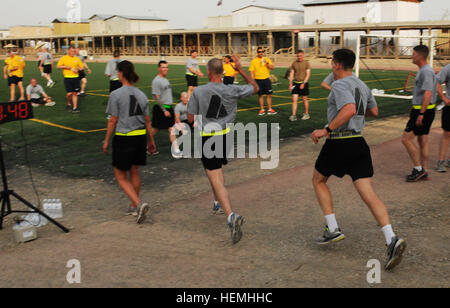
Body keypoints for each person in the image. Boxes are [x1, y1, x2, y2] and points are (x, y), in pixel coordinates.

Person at [310, 48, 406, 271]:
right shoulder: (361, 85)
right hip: (359, 142)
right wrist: (356, 110)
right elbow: (374, 111)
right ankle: (391, 239)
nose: (331, 66)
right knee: (368, 192)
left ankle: (332, 228)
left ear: (336, 64)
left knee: (318, 180)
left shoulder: (339, 84)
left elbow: (350, 109)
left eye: (331, 63)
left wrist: (326, 129)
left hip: (340, 141)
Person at [187, 56, 259, 244]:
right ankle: (217, 203)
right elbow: (255, 87)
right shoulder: (231, 89)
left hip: (208, 136)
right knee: (214, 170)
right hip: (226, 135)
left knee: (215, 175)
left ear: (209, 72)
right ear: (224, 72)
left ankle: (230, 215)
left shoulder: (199, 91)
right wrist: (241, 69)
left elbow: (190, 118)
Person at [103, 60, 156, 224]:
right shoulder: (141, 94)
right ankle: (134, 205)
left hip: (125, 137)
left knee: (120, 175)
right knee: (134, 171)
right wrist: (151, 140)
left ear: (120, 73)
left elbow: (113, 120)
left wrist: (106, 140)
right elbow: (147, 120)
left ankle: (138, 204)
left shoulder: (116, 94)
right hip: (140, 136)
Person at [401, 45, 437, 182]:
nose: (412, 56)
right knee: (422, 140)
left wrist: (421, 113)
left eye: (413, 54)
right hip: (422, 109)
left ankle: (418, 169)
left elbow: (428, 93)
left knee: (406, 139)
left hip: (423, 111)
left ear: (420, 56)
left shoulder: (426, 71)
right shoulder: (425, 70)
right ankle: (424, 170)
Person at [151, 60, 182, 159]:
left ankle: (176, 150)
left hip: (168, 108)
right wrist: (164, 110)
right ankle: (146, 145)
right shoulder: (157, 80)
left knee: (171, 129)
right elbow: (156, 97)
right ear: (159, 68)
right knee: (155, 130)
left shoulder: (165, 80)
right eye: (163, 67)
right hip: (161, 109)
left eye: (166, 67)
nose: (165, 69)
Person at [249, 47, 277, 116]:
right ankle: (262, 109)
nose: (261, 53)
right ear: (257, 52)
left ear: (263, 52)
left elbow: (272, 68)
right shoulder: (253, 61)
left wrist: (267, 63)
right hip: (258, 80)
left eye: (262, 51)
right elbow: (252, 72)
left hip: (266, 79)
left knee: (269, 95)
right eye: (259, 52)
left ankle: (270, 109)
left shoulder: (267, 59)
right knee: (260, 95)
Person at [57, 46, 84, 113]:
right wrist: (65, 67)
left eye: (74, 51)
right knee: (69, 94)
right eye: (72, 51)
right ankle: (69, 103)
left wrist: (77, 69)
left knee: (75, 93)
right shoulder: (64, 58)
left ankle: (75, 108)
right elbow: (58, 66)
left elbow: (82, 67)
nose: (73, 53)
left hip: (76, 78)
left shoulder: (77, 59)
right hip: (67, 78)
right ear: (68, 51)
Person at [288, 50, 311, 121]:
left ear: (303, 55)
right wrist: (290, 83)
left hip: (304, 83)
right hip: (295, 83)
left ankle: (306, 114)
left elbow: (308, 74)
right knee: (294, 100)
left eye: (300, 56)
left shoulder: (306, 63)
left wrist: (303, 83)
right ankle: (293, 115)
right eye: (298, 56)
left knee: (304, 99)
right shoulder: (294, 63)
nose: (299, 57)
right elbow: (292, 73)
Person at [436, 64, 450, 172]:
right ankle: (441, 161)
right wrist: (443, 98)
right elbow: (436, 82)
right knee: (447, 134)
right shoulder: (448, 68)